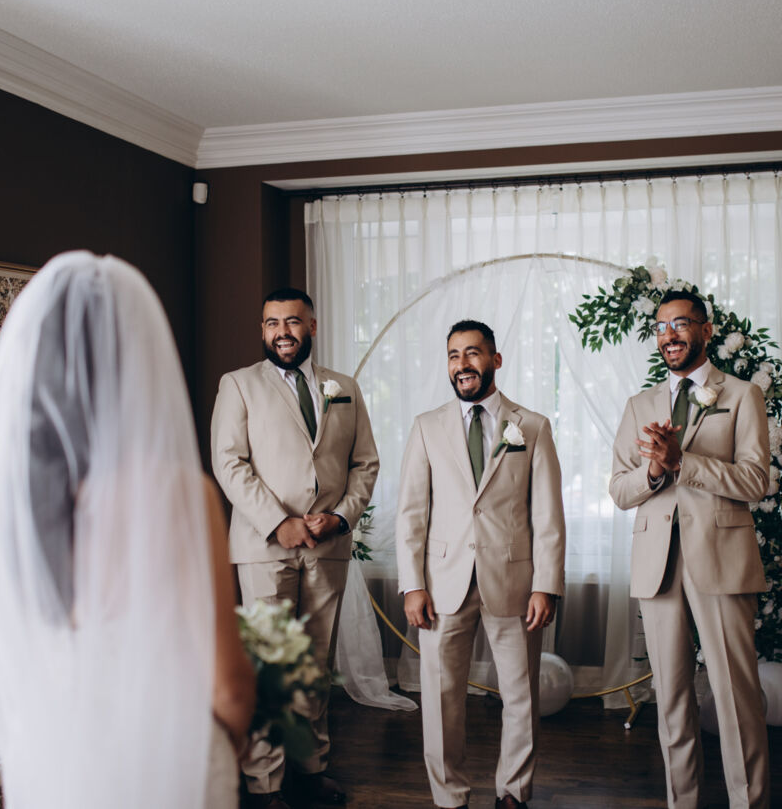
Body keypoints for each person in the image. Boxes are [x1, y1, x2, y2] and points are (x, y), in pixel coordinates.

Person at [0, 251, 254, 808]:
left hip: (52, 758)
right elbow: (229, 685)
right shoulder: (178, 494)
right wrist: (229, 741)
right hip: (167, 754)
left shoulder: (11, 499)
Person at [210, 287, 379, 809]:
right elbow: (228, 462)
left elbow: (365, 464)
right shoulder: (238, 385)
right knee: (270, 669)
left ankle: (310, 770)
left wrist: (341, 516)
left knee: (314, 665)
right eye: (272, 323)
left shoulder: (343, 387)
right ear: (263, 330)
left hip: (327, 546)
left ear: (312, 326)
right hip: (265, 547)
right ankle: (265, 785)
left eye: (292, 322)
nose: (282, 332)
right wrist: (278, 522)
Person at [610, 290, 771, 809]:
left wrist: (684, 462)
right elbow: (619, 491)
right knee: (672, 700)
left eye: (680, 324)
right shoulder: (640, 405)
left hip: (721, 560)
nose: (669, 335)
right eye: (661, 327)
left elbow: (755, 481)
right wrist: (655, 470)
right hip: (657, 565)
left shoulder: (742, 395)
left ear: (706, 329)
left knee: (735, 697)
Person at [397, 320, 566, 809]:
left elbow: (547, 515)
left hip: (513, 581)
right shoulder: (427, 426)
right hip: (441, 583)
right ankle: (449, 796)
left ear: (495, 359)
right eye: (453, 355)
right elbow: (412, 513)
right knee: (441, 697)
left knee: (521, 695)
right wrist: (412, 585)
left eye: (472, 353)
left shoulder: (532, 426)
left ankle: (513, 791)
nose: (462, 364)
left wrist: (546, 585)